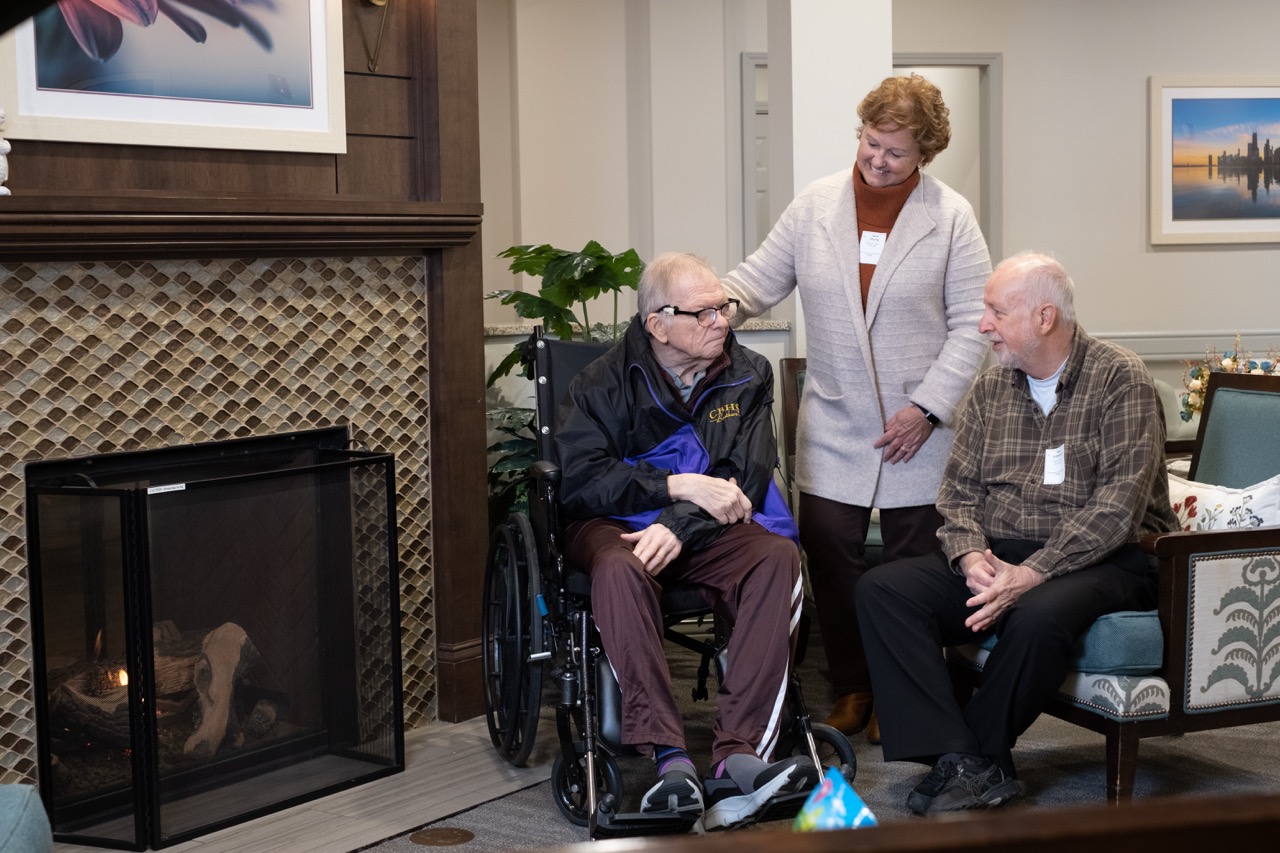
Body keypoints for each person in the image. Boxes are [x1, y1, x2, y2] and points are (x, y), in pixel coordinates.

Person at [856, 252, 1179, 815]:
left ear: (1044, 318)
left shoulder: (1120, 379)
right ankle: (964, 758)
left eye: (995, 311)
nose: (983, 324)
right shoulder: (988, 390)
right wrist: (969, 554)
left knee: (1037, 614)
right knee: (882, 590)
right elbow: (957, 494)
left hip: (1110, 559)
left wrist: (1033, 573)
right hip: (1001, 553)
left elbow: (1117, 508)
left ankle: (975, 758)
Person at [723, 74, 991, 742]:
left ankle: (903, 688)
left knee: (910, 566)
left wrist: (926, 408)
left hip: (918, 429)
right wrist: (701, 308)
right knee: (831, 553)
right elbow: (757, 279)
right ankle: (853, 685)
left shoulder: (950, 216)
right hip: (836, 420)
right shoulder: (815, 205)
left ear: (923, 154)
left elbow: (973, 325)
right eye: (873, 143)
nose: (879, 159)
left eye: (896, 152)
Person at [556, 252, 818, 831]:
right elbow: (583, 482)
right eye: (703, 313)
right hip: (616, 524)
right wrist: (673, 486)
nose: (721, 321)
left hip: (701, 527)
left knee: (776, 558)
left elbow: (744, 480)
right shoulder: (600, 384)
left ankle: (739, 754)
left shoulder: (749, 372)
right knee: (619, 572)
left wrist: (677, 524)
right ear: (658, 323)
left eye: (722, 308)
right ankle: (669, 756)